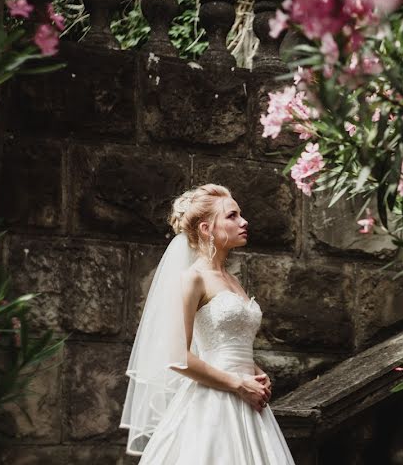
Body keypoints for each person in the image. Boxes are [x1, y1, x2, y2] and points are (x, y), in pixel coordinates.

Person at [121, 184, 296, 464]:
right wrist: (239, 384)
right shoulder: (193, 278)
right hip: (212, 407)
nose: (244, 221)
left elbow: (228, 342)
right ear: (206, 228)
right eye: (232, 216)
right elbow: (177, 358)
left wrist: (255, 372)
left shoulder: (232, 280)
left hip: (249, 402)